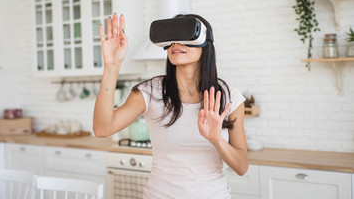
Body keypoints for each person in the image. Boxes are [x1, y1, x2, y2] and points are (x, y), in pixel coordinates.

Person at [93, 13, 249, 199]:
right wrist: (112, 66)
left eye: (184, 35)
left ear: (204, 42)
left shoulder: (229, 97)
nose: (176, 42)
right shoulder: (149, 92)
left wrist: (216, 139)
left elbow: (241, 167)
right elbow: (102, 129)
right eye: (172, 38)